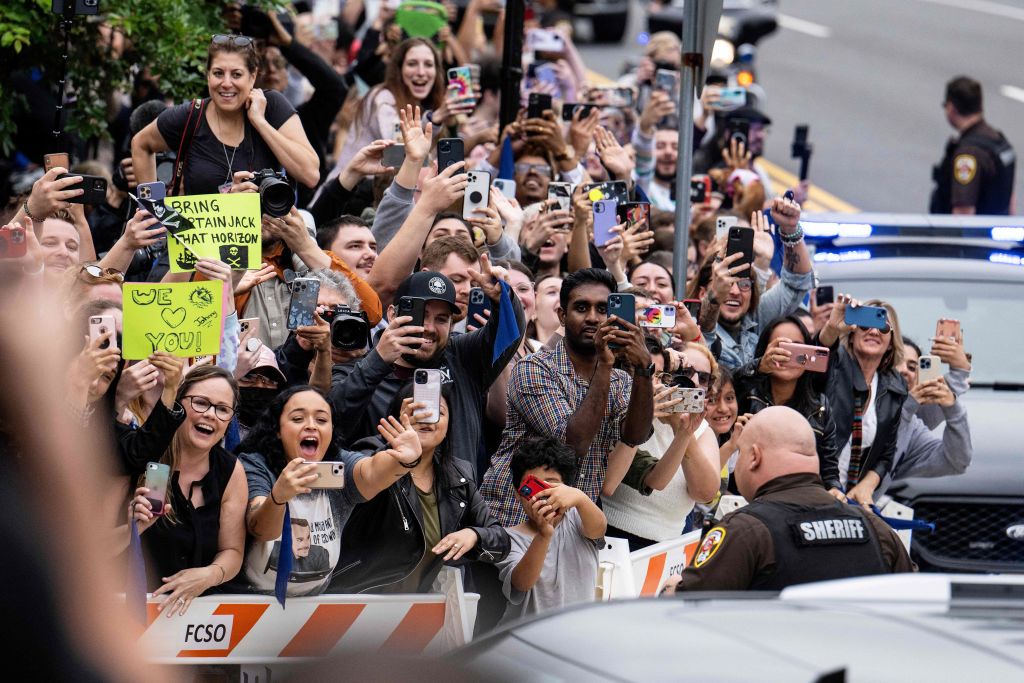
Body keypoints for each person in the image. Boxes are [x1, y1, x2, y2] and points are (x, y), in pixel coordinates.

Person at [663, 407, 915, 593]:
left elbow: (688, 612)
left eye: (738, 454)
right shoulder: (877, 531)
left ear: (754, 457)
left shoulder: (746, 532)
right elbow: (913, 607)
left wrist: (672, 590)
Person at [480, 268, 654, 527]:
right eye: (582, 308)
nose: (594, 318)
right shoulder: (534, 368)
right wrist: (605, 365)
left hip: (574, 527)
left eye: (603, 309)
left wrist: (643, 370)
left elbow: (635, 436)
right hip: (514, 520)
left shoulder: (621, 381)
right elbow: (572, 444)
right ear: (562, 315)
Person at [232, 386, 422, 597]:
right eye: (298, 419)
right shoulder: (255, 464)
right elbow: (261, 530)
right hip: (248, 600)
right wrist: (278, 497)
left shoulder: (338, 465)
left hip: (313, 603)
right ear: (277, 429)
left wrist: (405, 460)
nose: (311, 426)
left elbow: (371, 472)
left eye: (321, 420)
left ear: (331, 430)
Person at [329, 266, 524, 471]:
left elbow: (510, 335)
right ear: (393, 314)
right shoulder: (355, 369)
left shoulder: (462, 357)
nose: (429, 328)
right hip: (385, 497)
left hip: (458, 498)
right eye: (421, 314)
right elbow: (334, 423)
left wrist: (505, 298)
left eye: (441, 319)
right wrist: (379, 361)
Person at [333, 387, 509, 593]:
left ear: (449, 425)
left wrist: (474, 535)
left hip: (415, 608)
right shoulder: (372, 453)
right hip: (353, 599)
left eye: (437, 412)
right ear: (399, 417)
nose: (426, 419)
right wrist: (397, 453)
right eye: (417, 411)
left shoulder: (458, 473)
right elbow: (369, 472)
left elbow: (501, 541)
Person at [132, 34, 319, 195]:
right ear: (208, 76)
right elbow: (141, 144)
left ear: (252, 77)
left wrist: (260, 122)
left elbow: (310, 175)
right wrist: (155, 215)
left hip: (265, 234)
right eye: (218, 73)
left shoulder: (272, 106)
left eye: (237, 74)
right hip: (202, 235)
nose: (226, 83)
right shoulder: (191, 116)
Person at [128, 365, 248, 615]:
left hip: (201, 618)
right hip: (134, 612)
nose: (211, 415)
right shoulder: (143, 454)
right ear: (178, 403)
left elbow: (233, 551)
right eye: (201, 403)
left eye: (222, 409)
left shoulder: (231, 470)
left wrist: (208, 575)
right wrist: (130, 526)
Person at [601, 343, 721, 550]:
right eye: (683, 372)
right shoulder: (623, 409)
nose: (691, 381)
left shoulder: (701, 429)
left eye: (703, 378)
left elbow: (705, 493)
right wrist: (645, 410)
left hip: (668, 544)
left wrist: (682, 430)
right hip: (613, 534)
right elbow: (621, 482)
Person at [494, 437, 606, 624]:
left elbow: (599, 528)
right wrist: (544, 533)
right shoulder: (506, 539)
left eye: (551, 485)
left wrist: (580, 497)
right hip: (530, 643)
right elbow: (522, 583)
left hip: (580, 637)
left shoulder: (578, 520)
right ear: (517, 492)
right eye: (533, 486)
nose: (542, 494)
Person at [696, 203, 814, 370]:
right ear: (703, 293)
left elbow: (797, 283)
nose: (735, 291)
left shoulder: (755, 318)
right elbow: (704, 329)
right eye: (726, 283)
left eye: (744, 284)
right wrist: (714, 296)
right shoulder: (692, 327)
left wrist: (790, 230)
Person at [817, 296, 908, 506]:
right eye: (866, 325)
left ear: (891, 343)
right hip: (813, 489)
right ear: (851, 334)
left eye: (884, 328)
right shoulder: (833, 365)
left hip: (849, 501)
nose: (874, 331)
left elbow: (887, 454)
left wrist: (867, 484)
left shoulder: (895, 387)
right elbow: (818, 356)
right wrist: (832, 328)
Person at [734, 315, 840, 491]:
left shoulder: (820, 406)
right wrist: (760, 366)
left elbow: (829, 473)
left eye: (797, 347)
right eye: (781, 347)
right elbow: (727, 385)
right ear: (764, 351)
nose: (788, 355)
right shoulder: (744, 393)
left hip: (800, 501)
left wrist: (835, 490)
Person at [878, 337, 973, 496]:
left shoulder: (912, 428)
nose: (904, 370)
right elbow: (886, 427)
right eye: (896, 361)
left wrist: (953, 407)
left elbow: (957, 462)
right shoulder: (856, 407)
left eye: (913, 367)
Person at [929, 76, 1015, 215]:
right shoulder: (998, 141)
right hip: (996, 230)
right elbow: (1009, 196)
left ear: (951, 108)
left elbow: (963, 212)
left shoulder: (968, 154)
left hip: (973, 235)